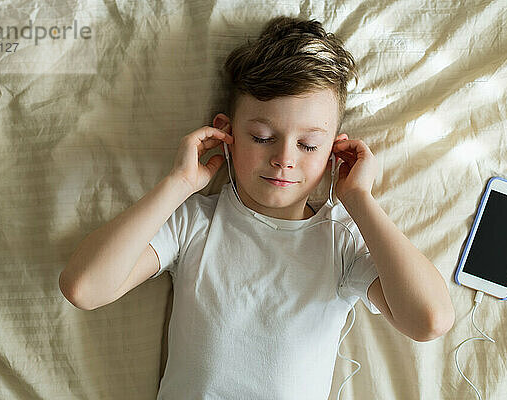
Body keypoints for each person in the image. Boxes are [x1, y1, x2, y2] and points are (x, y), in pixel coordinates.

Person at [59, 16, 455, 399]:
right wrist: (177, 185)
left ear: (336, 151)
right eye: (263, 137)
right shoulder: (195, 221)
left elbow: (430, 320)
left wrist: (361, 201)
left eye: (308, 146)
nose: (284, 158)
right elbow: (84, 288)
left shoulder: (341, 242)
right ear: (226, 134)